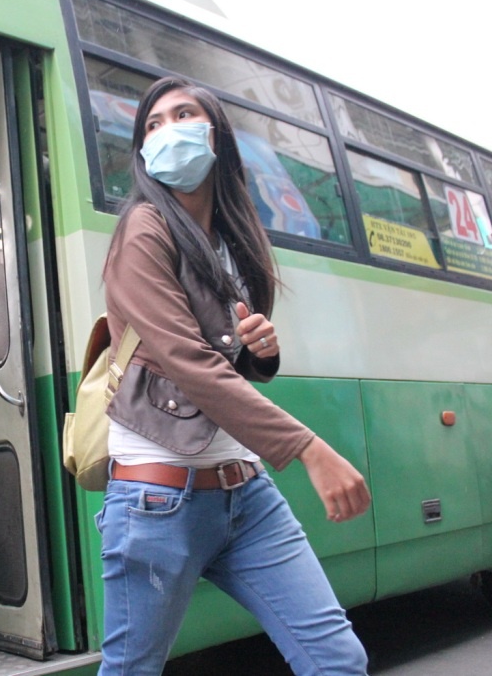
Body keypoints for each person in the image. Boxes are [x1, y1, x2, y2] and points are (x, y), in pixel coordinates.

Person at [97, 76, 372, 675]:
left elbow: (225, 356)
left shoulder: (232, 240)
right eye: (153, 124)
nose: (168, 130)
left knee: (336, 660)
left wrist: (260, 352)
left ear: (215, 133)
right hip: (157, 497)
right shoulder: (143, 229)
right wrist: (307, 448)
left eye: (183, 115)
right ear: (142, 149)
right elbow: (187, 363)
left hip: (245, 494)